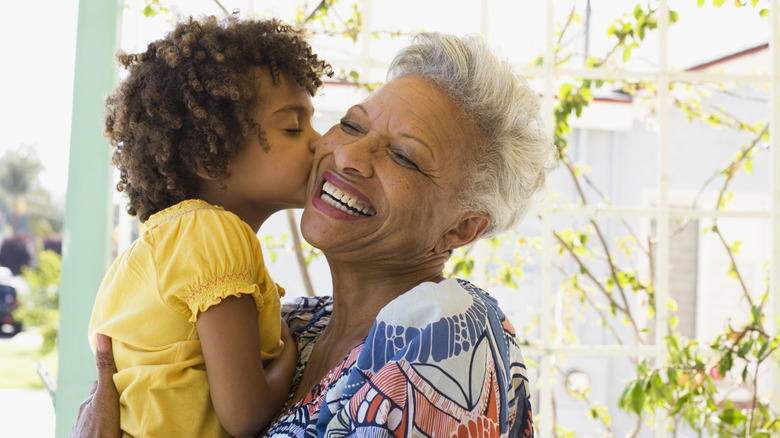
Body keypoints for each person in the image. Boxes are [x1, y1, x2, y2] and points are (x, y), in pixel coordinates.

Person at [72, 30, 553, 438]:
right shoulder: (297, 323)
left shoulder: (444, 336)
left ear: (461, 228)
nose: (346, 155)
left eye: (404, 156)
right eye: (351, 125)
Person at [87, 16, 331, 438]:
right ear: (210, 155)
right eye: (292, 127)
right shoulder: (214, 233)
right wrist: (293, 358)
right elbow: (245, 414)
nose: (319, 141)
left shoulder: (156, 249)